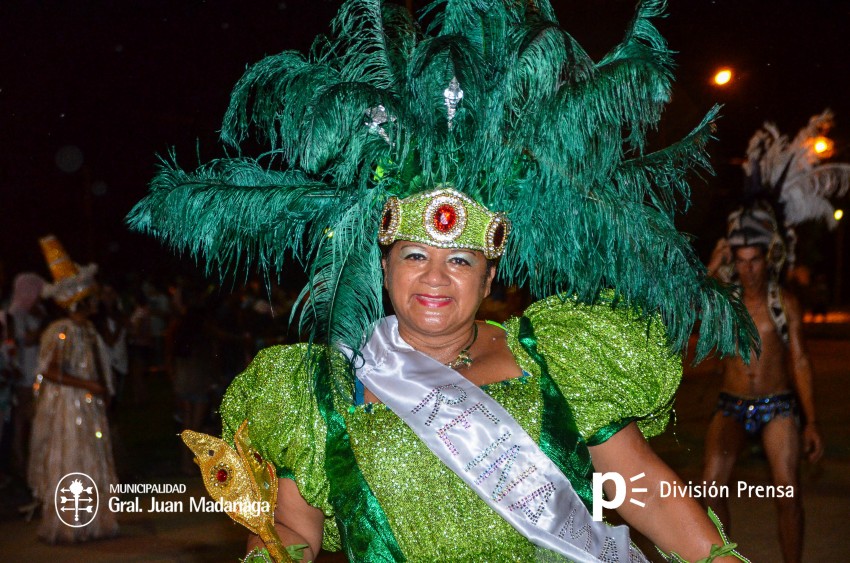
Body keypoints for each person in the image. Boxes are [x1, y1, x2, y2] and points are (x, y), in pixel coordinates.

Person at [130, 1, 755, 560]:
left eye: (459, 260)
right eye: (413, 256)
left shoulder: (554, 361)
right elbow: (295, 527)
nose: (435, 277)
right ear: (383, 265)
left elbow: (642, 487)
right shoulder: (323, 390)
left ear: (487, 279)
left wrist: (717, 558)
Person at [27, 235, 118, 543]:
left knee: (89, 456)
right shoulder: (61, 331)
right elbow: (50, 370)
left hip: (87, 404)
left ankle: (91, 521)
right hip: (69, 405)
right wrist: (88, 384)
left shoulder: (87, 329)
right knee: (70, 456)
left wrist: (98, 388)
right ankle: (69, 523)